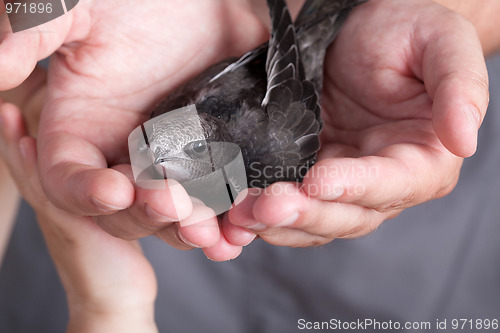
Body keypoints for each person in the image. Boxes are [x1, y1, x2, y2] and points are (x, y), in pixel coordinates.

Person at [1, 0, 500, 331]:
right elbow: (23, 8)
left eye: (163, 147)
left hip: (402, 245)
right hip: (84, 221)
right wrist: (30, 6)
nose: (154, 150)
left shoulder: (265, 153)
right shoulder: (161, 133)